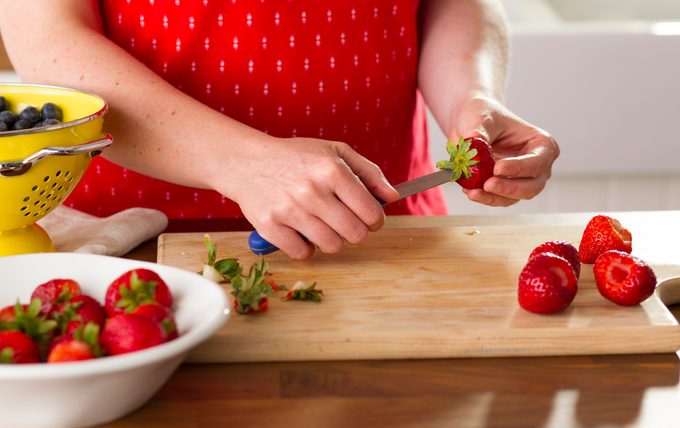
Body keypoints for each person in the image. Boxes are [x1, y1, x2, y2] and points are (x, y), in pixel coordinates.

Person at [0, 0, 559, 259]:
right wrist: (241, 162)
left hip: (379, 235)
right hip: (131, 242)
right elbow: (48, 36)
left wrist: (471, 98)